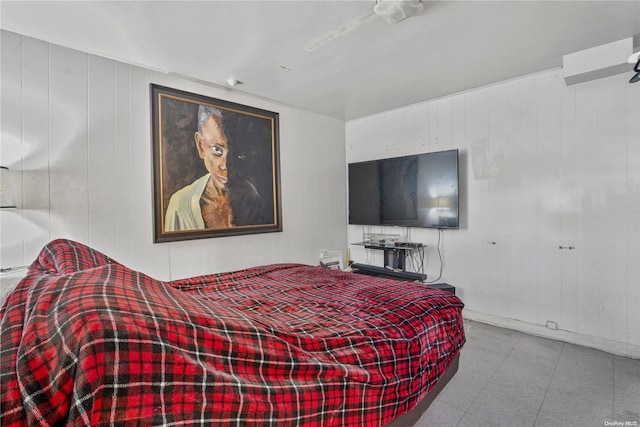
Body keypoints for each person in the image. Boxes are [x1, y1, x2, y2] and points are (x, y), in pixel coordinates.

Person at [165, 105, 234, 231]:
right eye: (217, 150)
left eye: (236, 153)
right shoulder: (180, 206)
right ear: (200, 145)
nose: (225, 165)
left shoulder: (251, 196)